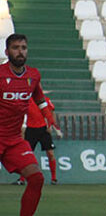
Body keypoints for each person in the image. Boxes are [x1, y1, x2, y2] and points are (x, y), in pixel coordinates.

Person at [0, 34, 58, 216]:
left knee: (36, 178)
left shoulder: (33, 75)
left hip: (13, 140)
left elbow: (38, 96)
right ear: (7, 51)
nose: (20, 51)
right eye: (15, 48)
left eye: (23, 48)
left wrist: (47, 114)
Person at [20, 94, 60, 186]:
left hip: (43, 129)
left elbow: (52, 111)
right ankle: (22, 179)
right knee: (26, 155)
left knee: (50, 154)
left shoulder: (44, 99)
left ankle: (54, 178)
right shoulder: (26, 100)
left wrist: (50, 125)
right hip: (30, 129)